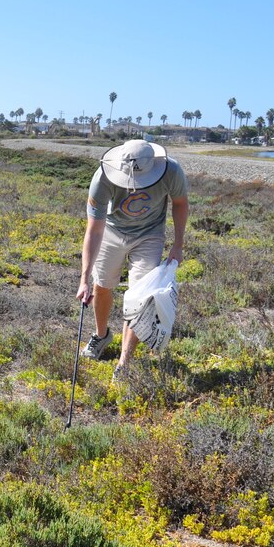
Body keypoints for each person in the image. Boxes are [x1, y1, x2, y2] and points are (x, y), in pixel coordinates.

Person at [76, 139, 189, 378]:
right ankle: (101, 335)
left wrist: (178, 244)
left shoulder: (172, 171)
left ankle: (124, 362)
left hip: (150, 235)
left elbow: (179, 203)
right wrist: (84, 278)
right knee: (103, 285)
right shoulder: (102, 177)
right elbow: (94, 230)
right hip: (112, 231)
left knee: (140, 296)